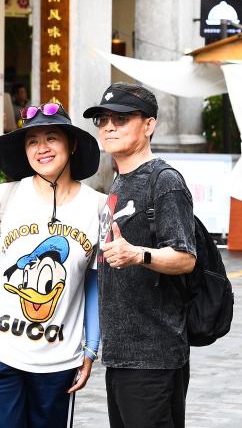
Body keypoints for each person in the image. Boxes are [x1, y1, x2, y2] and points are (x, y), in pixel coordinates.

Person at [0, 102, 105, 428]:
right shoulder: (4, 196)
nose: (42, 149)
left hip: (58, 362)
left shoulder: (97, 207)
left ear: (72, 144)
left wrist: (91, 348)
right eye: (32, 141)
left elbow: (93, 283)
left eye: (51, 138)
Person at [83, 82, 196, 428]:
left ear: (148, 125)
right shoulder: (118, 182)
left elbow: (185, 257)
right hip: (120, 356)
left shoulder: (163, 181)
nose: (109, 127)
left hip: (154, 357)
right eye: (102, 120)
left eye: (121, 118)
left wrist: (138, 255)